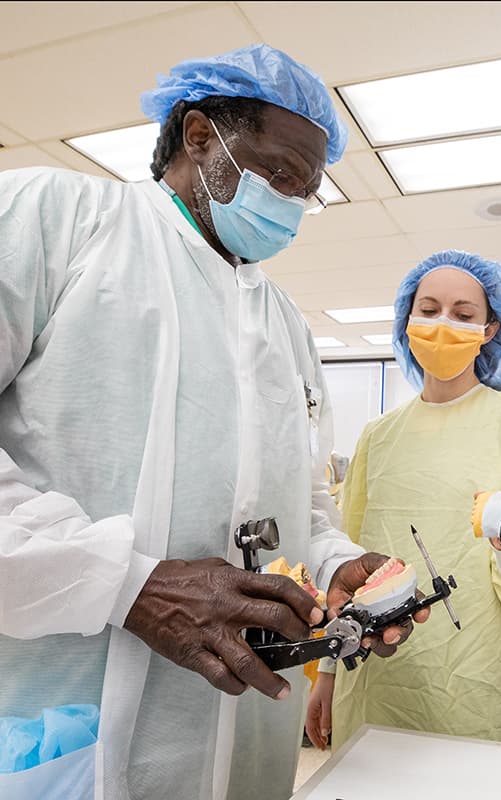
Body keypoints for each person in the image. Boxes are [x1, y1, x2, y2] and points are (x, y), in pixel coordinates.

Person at [0, 44, 428, 800]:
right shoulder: (57, 219)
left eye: (310, 191)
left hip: (248, 748)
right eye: (284, 174)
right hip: (66, 730)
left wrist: (333, 567)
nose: (294, 204)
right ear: (201, 139)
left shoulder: (285, 324)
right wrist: (125, 583)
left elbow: (299, 499)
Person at [305, 249, 501, 752]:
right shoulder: (378, 437)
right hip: (377, 681)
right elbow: (344, 561)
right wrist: (328, 668)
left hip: (480, 685)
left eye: (463, 313)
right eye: (428, 310)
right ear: (407, 321)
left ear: (490, 329)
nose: (442, 323)